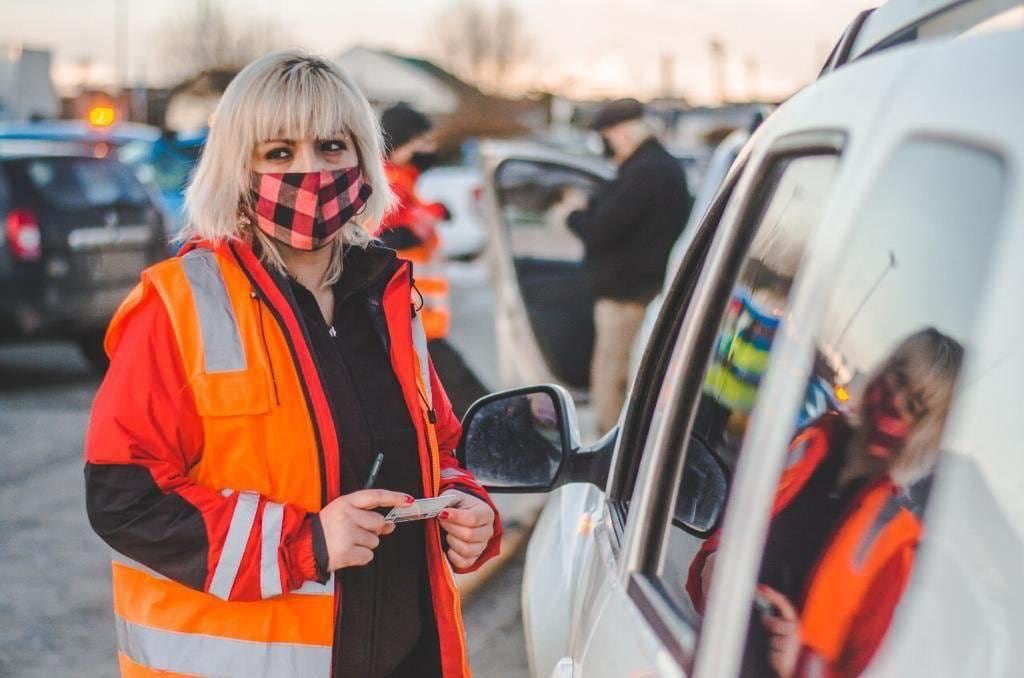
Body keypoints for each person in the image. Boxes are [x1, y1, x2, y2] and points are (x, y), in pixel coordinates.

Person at [84, 51, 501, 678]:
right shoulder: (178, 305)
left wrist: (467, 507)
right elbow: (127, 498)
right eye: (279, 153)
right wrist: (302, 544)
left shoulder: (386, 298)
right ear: (237, 166)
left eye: (332, 147)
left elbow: (439, 446)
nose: (311, 171)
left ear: (364, 159)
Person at [688, 328, 964, 678]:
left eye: (913, 405)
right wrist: (713, 562)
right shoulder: (813, 441)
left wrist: (798, 662)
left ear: (927, 432)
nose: (893, 400)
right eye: (897, 376)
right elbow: (741, 525)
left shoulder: (896, 540)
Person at [565, 98, 693, 432]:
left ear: (619, 134)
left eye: (604, 138)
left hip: (626, 295)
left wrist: (573, 213)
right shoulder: (663, 167)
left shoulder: (643, 172)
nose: (604, 147)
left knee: (611, 377)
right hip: (645, 287)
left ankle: (609, 455)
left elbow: (600, 230)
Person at [377, 103, 488, 418]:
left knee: (448, 394)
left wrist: (432, 211)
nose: (432, 148)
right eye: (424, 141)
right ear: (402, 142)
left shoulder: (405, 183)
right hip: (407, 315)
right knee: (462, 396)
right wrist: (426, 217)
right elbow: (386, 236)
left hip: (419, 318)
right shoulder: (388, 184)